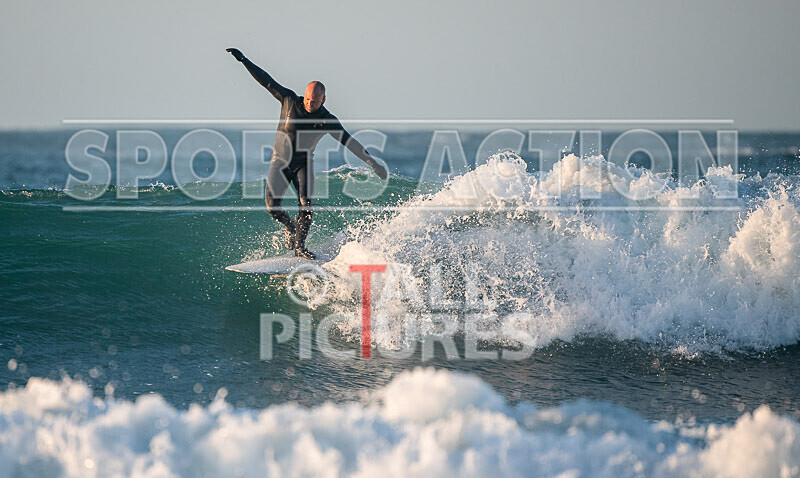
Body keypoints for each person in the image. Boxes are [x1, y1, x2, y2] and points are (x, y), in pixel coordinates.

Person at [226, 48, 388, 259]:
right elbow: (266, 81)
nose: (310, 104)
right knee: (272, 208)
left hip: (304, 164)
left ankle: (300, 247)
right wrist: (244, 60)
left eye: (315, 101)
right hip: (280, 162)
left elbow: (349, 142)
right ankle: (291, 227)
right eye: (308, 100)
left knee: (306, 204)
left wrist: (372, 163)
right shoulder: (289, 100)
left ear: (323, 100)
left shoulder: (327, 119)